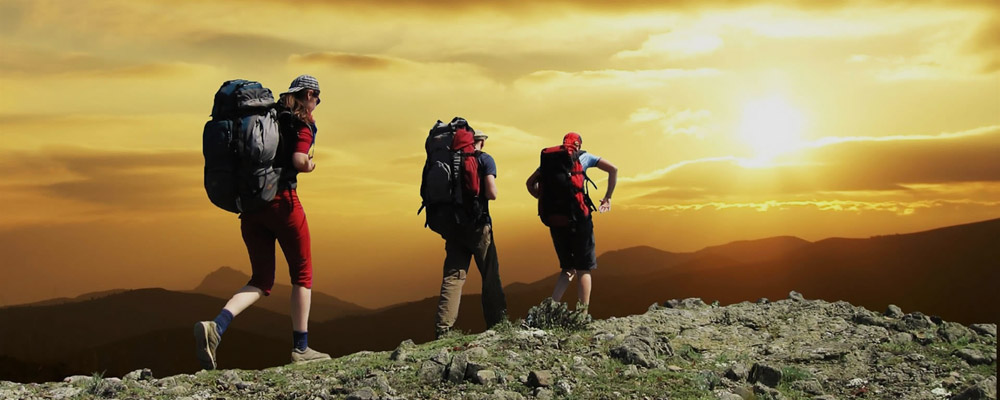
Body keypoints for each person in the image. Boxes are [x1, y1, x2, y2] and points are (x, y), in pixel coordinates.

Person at [195, 75, 330, 370]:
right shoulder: (301, 122)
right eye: (317, 98)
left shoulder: (268, 117)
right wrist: (309, 164)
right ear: (308, 94)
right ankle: (301, 348)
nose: (317, 104)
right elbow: (297, 159)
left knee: (261, 280)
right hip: (283, 204)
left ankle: (216, 326)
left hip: (251, 207)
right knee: (303, 275)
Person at [526, 132, 617, 310]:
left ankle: (549, 310)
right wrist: (608, 197)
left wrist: (543, 197)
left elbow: (529, 183)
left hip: (555, 219)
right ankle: (581, 315)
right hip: (579, 219)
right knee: (583, 269)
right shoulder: (583, 157)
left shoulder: (549, 161)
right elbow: (613, 169)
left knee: (567, 268)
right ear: (579, 145)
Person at [434, 129, 508, 338]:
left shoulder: (448, 161)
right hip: (478, 226)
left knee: (453, 276)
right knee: (490, 274)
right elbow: (491, 193)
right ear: (480, 142)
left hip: (454, 227)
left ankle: (443, 329)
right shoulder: (484, 159)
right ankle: (498, 324)